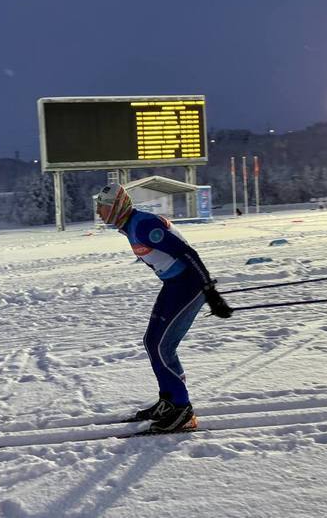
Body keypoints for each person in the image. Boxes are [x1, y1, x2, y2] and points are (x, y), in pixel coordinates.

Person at [95, 184, 233, 433]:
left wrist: (210, 291)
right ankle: (169, 401)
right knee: (152, 342)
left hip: (189, 286)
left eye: (103, 207)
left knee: (162, 346)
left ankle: (183, 411)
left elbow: (187, 253)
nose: (98, 212)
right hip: (173, 285)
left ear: (116, 206)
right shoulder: (130, 225)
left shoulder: (144, 224)